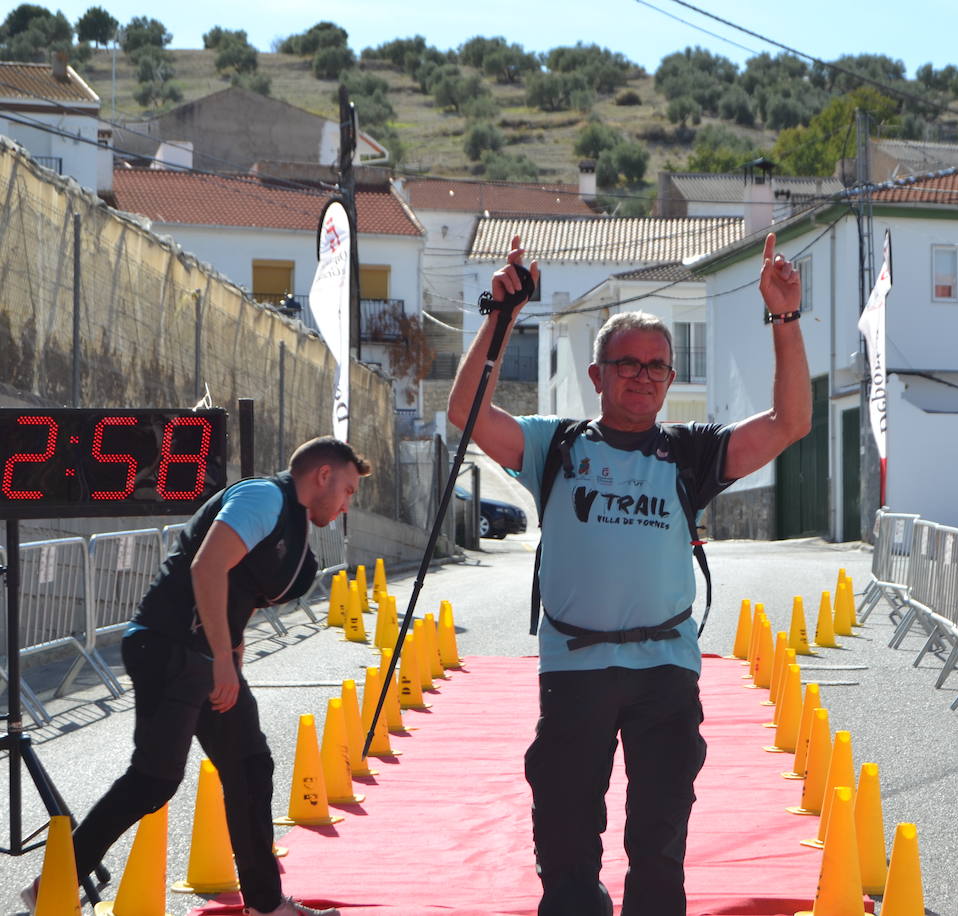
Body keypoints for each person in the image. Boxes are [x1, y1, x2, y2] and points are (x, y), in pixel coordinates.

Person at [447, 233, 810, 915]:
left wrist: (784, 319)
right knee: (565, 852)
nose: (644, 376)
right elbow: (466, 416)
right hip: (574, 672)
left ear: (671, 379)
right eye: (628, 364)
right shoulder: (555, 444)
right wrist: (501, 317)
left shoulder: (689, 453)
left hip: (665, 677)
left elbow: (791, 422)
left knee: (658, 853)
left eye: (658, 367)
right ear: (598, 375)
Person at [23, 437, 370, 916]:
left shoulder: (294, 526)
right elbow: (207, 567)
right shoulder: (264, 497)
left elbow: (239, 589)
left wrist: (234, 655)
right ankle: (52, 886)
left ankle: (266, 906)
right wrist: (223, 659)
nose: (349, 502)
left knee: (251, 767)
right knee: (154, 780)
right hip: (167, 646)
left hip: (206, 655)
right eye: (349, 490)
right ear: (324, 476)